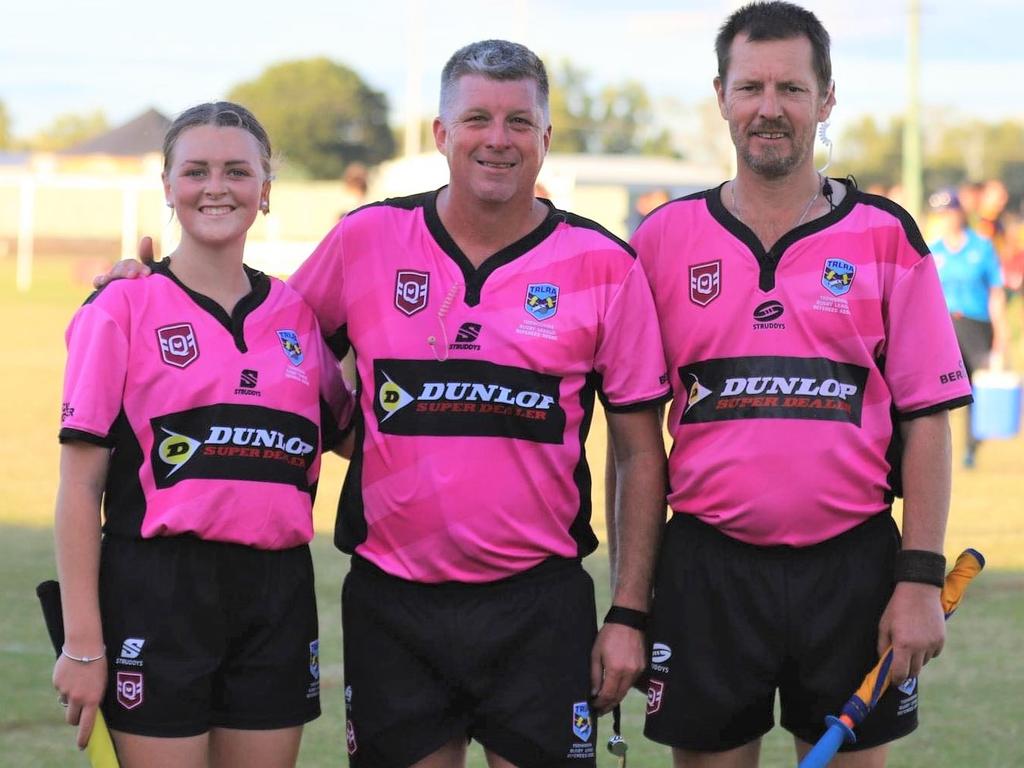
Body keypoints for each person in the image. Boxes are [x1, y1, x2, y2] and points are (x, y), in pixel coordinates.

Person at [96, 41, 670, 768]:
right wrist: (149, 283)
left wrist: (627, 610)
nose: (498, 139)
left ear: (547, 138)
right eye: (477, 119)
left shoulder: (603, 265)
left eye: (519, 122)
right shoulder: (367, 240)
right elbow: (257, 330)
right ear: (440, 133)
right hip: (393, 603)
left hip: (538, 605)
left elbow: (640, 451)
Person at [627, 3, 974, 767]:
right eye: (751, 86)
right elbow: (631, 440)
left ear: (826, 99)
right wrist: (629, 602)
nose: (770, 107)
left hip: (852, 569)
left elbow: (926, 420)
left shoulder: (887, 235)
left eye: (792, 87)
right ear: (721, 95)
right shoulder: (659, 241)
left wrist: (918, 578)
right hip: (708, 567)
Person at [54, 102, 352, 768]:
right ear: (167, 187)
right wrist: (82, 643)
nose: (216, 186)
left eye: (237, 171)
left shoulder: (296, 313)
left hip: (277, 592)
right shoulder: (120, 307)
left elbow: (350, 435)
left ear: (266, 189)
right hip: (157, 589)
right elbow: (79, 486)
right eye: (196, 171)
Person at [928, 187, 1008, 468]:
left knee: (975, 390)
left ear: (960, 212)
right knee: (939, 392)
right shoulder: (932, 250)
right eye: (941, 214)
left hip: (976, 325)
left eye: (950, 212)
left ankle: (971, 448)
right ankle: (936, 449)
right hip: (943, 326)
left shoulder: (982, 247)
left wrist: (1001, 336)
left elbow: (996, 292)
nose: (947, 218)